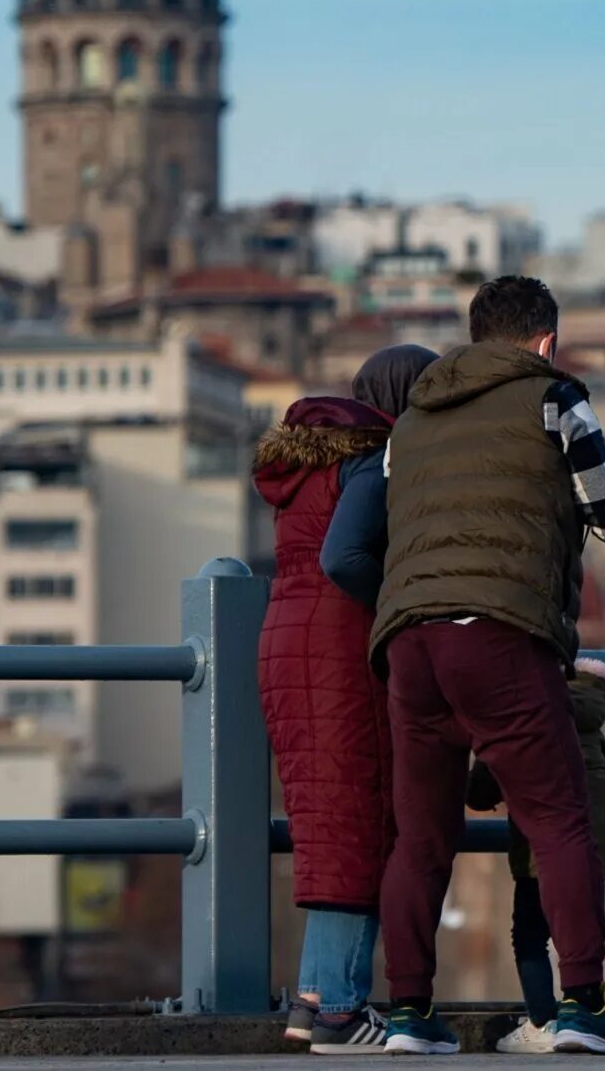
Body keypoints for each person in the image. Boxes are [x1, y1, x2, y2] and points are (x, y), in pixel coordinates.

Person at [324, 276, 605, 1057]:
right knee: (559, 817)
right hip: (499, 631)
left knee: (420, 838)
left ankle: (406, 1015)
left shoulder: (413, 423)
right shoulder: (553, 398)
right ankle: (585, 1005)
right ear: (546, 341)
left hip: (408, 642)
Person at [258, 345, 435, 1054]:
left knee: (333, 819)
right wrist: (398, 605)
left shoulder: (309, 465)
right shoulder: (371, 459)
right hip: (340, 645)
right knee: (357, 822)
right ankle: (337, 1007)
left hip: (290, 639)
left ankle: (312, 999)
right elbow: (343, 557)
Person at [475, 658, 605, 1051]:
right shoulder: (593, 727)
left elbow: (481, 788)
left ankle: (543, 1021)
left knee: (529, 936)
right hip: (590, 853)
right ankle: (585, 1010)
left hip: (537, 850)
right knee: (583, 931)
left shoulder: (524, 709)